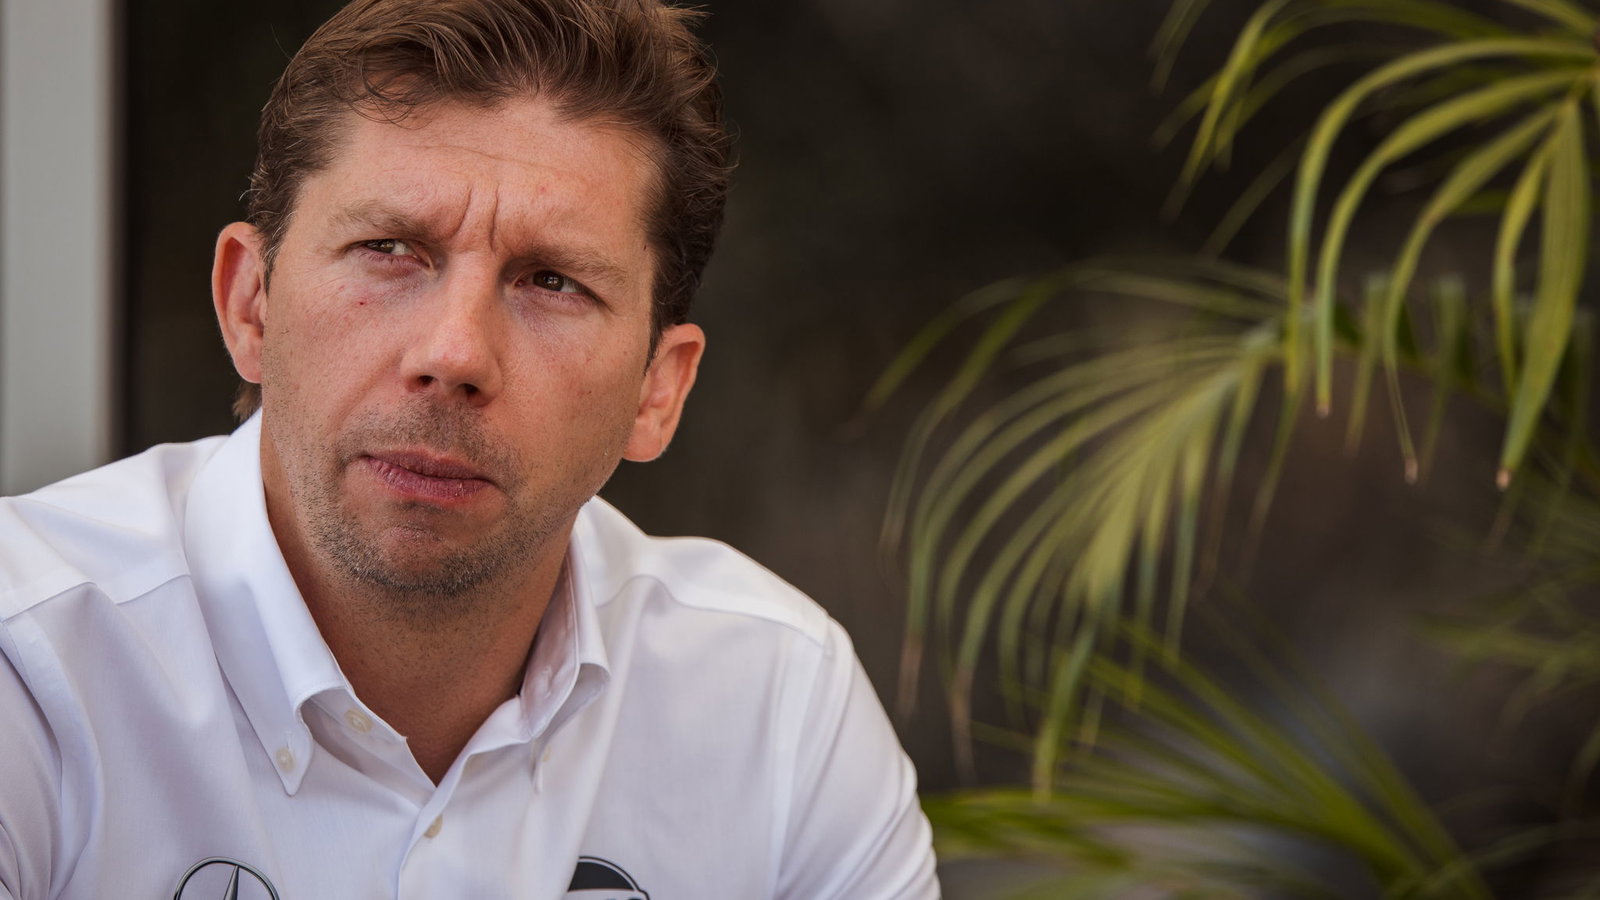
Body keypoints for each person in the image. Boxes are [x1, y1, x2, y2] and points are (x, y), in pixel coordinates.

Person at [0, 1, 939, 897]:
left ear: (658, 390)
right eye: (389, 249)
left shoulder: (775, 706)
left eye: (552, 282)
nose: (453, 354)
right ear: (251, 304)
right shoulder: (31, 664)